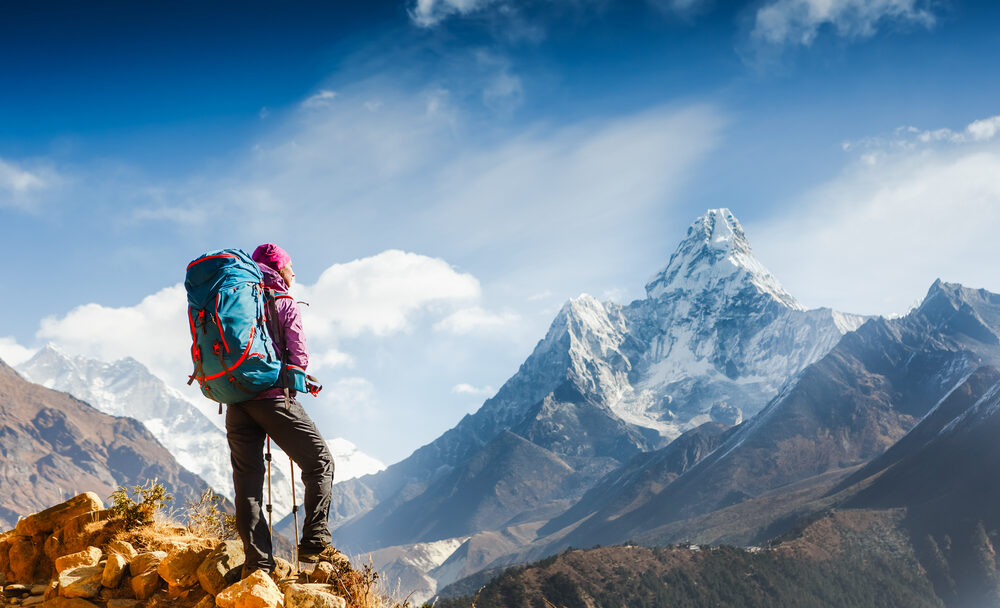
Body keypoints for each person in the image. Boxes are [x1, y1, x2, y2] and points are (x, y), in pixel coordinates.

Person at [226, 243, 337, 573]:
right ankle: (316, 541)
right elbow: (299, 357)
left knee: (248, 483)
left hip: (235, 400)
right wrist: (300, 379)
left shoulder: (238, 300)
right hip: (273, 399)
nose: (293, 273)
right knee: (320, 463)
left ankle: (258, 564)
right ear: (279, 269)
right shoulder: (283, 300)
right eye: (290, 267)